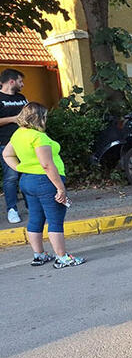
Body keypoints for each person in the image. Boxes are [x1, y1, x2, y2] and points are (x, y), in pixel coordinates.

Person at [2, 103, 84, 268]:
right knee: (55, 219)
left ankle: (39, 254)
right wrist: (60, 187)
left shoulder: (18, 134)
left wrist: (21, 168)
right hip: (45, 181)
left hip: (27, 180)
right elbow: (47, 165)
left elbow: (6, 154)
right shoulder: (39, 137)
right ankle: (62, 257)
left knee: (35, 217)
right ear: (39, 117)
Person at [0, 69, 28, 224]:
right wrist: (14, 119)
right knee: (11, 177)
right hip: (6, 144)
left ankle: (32, 206)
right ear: (11, 81)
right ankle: (12, 209)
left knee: (28, 174)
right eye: (20, 81)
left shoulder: (21, 98)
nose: (22, 84)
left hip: (25, 142)